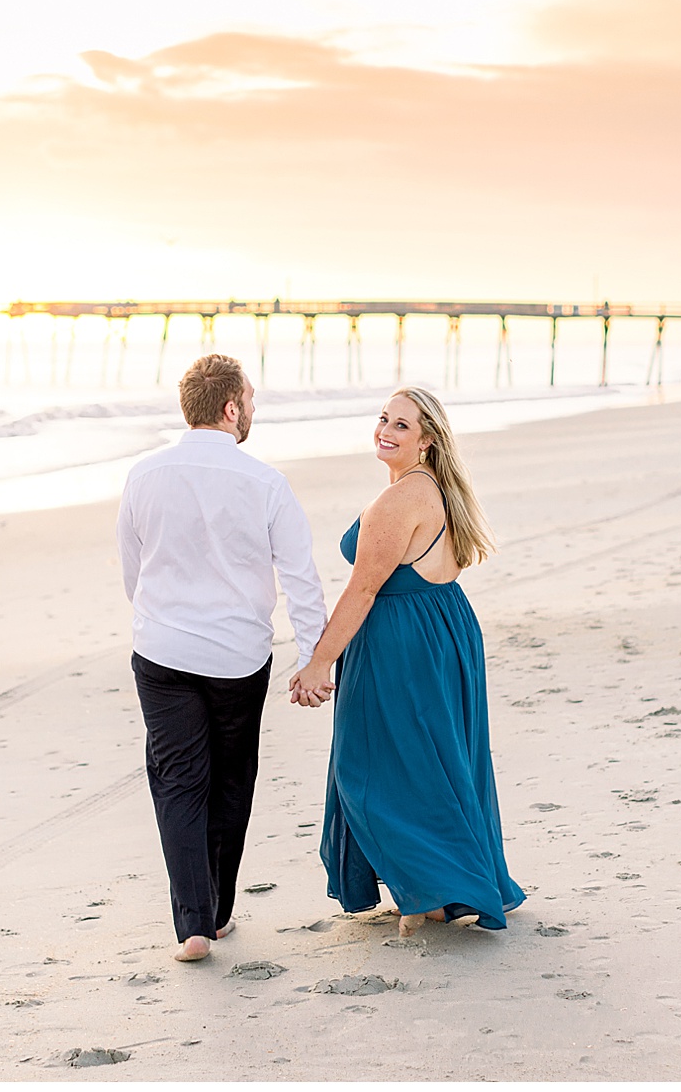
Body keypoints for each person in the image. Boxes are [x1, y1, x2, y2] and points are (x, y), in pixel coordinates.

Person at [288, 386, 525, 937]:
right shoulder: (432, 489)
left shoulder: (400, 500)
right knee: (435, 758)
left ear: (427, 441)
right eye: (383, 419)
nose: (385, 431)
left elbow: (363, 590)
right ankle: (446, 884)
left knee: (372, 766)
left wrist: (319, 663)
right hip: (441, 628)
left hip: (402, 639)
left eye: (401, 425)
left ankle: (435, 892)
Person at [118, 353, 329, 962]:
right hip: (237, 655)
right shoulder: (265, 483)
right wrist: (313, 658)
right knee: (232, 776)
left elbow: (134, 569)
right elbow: (300, 579)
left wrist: (163, 618)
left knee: (180, 778)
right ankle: (220, 908)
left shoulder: (144, 475)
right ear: (232, 408)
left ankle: (193, 925)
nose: (253, 410)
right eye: (252, 401)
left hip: (161, 651)